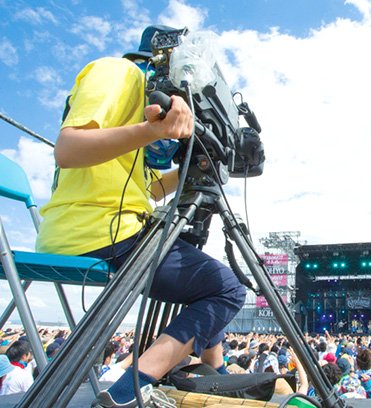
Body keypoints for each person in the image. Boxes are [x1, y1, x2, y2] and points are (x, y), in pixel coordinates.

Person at [35, 25, 246, 408]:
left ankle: (216, 377)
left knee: (206, 278)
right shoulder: (118, 72)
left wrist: (196, 171)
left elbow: (144, 191)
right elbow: (68, 149)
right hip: (94, 233)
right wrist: (152, 131)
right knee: (227, 288)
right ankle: (129, 392)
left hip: (106, 228)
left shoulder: (140, 104)